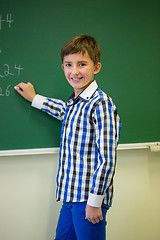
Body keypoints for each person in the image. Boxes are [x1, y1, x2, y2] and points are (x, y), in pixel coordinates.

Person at [15, 34, 122, 240]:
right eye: (68, 64)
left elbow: (107, 159)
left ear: (96, 67)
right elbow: (62, 110)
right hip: (70, 194)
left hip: (88, 198)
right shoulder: (75, 103)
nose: (74, 71)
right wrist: (34, 98)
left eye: (82, 64)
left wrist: (95, 201)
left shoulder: (101, 105)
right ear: (62, 67)